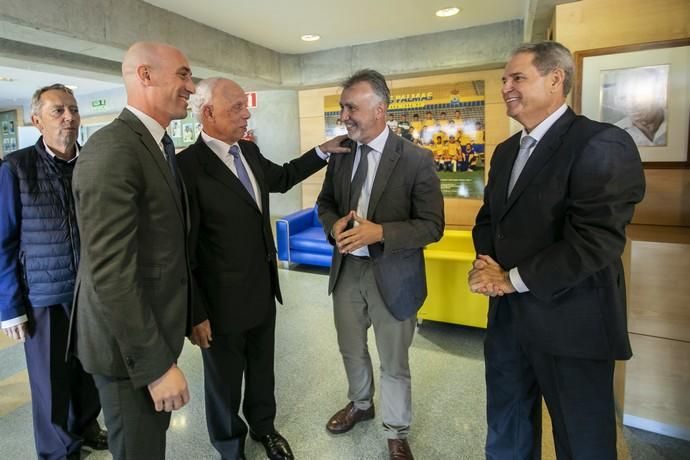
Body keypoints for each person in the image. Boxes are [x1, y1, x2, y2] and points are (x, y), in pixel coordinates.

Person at [469, 41, 645, 459]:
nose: (506, 88)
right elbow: (489, 220)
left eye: (517, 78)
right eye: (503, 81)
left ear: (555, 79)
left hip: (572, 323)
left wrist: (509, 279)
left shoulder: (601, 143)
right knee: (506, 428)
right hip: (508, 322)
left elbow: (595, 240)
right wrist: (485, 263)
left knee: (582, 440)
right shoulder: (507, 150)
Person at [176, 77, 349, 460]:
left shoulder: (248, 153)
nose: (246, 113)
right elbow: (183, 248)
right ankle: (229, 446)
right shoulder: (186, 167)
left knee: (261, 370)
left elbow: (283, 177)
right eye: (236, 107)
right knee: (223, 383)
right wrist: (195, 312)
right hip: (219, 303)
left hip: (261, 289)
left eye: (244, 105)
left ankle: (264, 428)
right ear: (207, 113)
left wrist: (322, 151)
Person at [70, 41, 195, 460]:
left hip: (150, 336)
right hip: (127, 356)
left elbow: (163, 246)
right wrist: (157, 367)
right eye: (183, 74)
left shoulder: (156, 145)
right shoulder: (112, 150)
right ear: (145, 75)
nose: (192, 87)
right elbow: (110, 273)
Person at [317, 69, 444, 460]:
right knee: (351, 348)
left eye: (351, 107)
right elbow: (325, 204)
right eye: (342, 108)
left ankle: (396, 429)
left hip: (394, 274)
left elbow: (432, 226)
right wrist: (332, 224)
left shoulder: (416, 160)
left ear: (379, 110)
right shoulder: (340, 155)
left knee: (394, 361)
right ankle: (360, 403)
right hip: (346, 272)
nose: (344, 116)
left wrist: (381, 233)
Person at [0, 84, 106, 460]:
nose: (69, 118)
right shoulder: (16, 168)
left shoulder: (93, 163)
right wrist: (10, 306)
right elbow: (4, 241)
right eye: (58, 110)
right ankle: (58, 450)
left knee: (90, 369)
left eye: (74, 110)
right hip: (43, 296)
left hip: (93, 292)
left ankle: (87, 425)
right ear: (36, 119)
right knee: (49, 381)